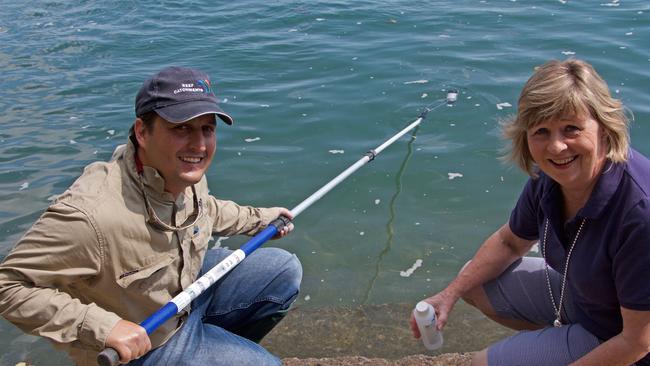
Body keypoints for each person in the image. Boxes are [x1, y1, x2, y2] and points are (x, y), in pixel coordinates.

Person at [0, 66, 302, 366]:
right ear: (142, 132)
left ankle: (210, 346)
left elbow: (205, 209)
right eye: (181, 128)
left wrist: (260, 218)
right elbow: (8, 286)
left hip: (180, 298)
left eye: (207, 129)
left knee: (282, 269)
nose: (199, 145)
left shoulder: (183, 174)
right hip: (143, 344)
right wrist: (105, 329)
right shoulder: (91, 214)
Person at [410, 59, 650, 365]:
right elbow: (510, 243)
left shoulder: (640, 213)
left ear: (604, 128)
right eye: (541, 131)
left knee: (480, 364)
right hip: (586, 298)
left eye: (571, 129)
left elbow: (637, 341)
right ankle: (560, 341)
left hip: (626, 337)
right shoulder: (550, 179)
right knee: (475, 281)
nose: (557, 147)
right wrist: (449, 294)